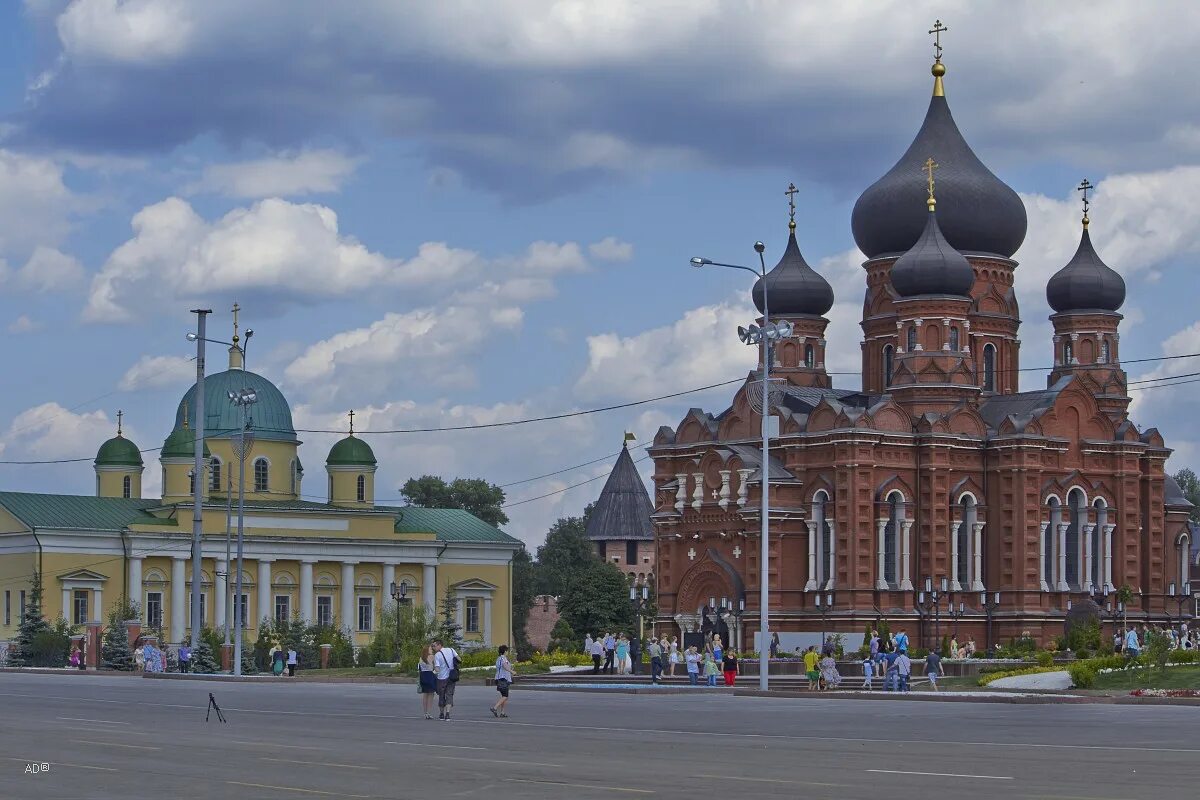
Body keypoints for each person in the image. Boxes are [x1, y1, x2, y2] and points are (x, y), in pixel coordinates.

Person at [433, 638, 460, 721]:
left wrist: (433, 671)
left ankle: (441, 714)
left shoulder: (437, 655)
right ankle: (447, 714)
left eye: (434, 645)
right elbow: (459, 659)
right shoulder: (451, 650)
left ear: (439, 645)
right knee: (449, 695)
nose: (433, 647)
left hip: (441, 678)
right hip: (452, 677)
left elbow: (437, 669)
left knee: (441, 695)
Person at [491, 644, 514, 718]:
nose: (507, 652)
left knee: (504, 696)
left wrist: (511, 671)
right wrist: (512, 671)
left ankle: (502, 712)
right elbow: (504, 666)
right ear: (504, 651)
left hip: (504, 679)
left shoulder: (503, 658)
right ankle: (494, 708)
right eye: (507, 650)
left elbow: (505, 667)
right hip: (502, 679)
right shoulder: (502, 658)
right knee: (505, 696)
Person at [417, 645, 437, 719]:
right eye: (430, 649)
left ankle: (425, 712)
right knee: (431, 695)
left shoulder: (421, 658)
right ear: (427, 650)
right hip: (430, 676)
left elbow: (419, 668)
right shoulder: (432, 656)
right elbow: (436, 667)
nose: (432, 650)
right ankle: (428, 712)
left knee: (425, 694)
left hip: (423, 676)